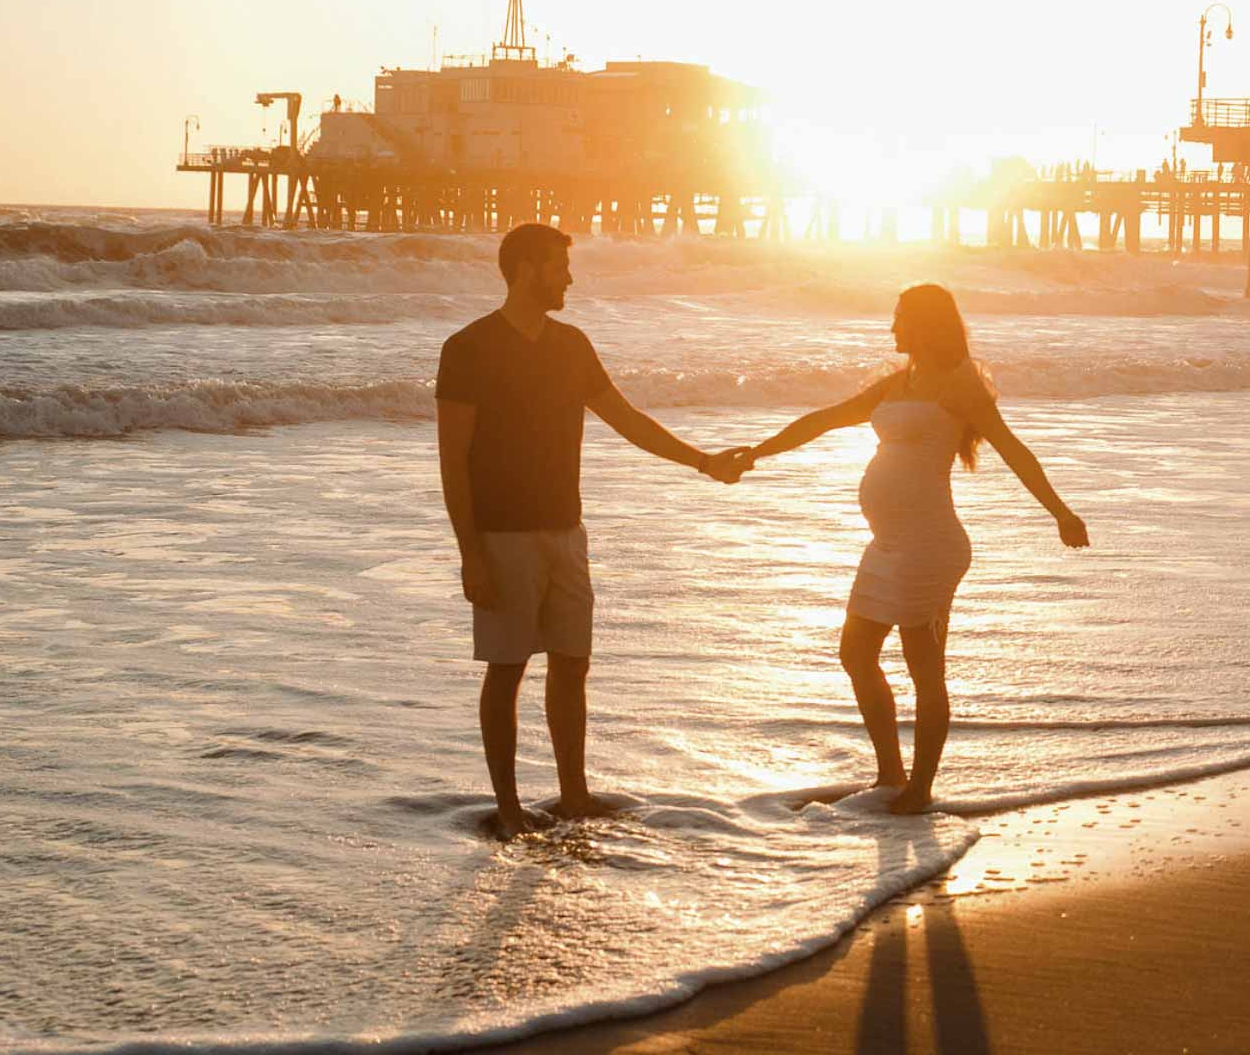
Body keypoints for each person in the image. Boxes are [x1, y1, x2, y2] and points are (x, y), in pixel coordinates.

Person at [436, 222, 752, 838]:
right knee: (507, 670)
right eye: (560, 266)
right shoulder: (467, 348)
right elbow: (453, 459)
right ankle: (507, 808)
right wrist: (469, 552)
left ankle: (573, 797)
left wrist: (704, 461)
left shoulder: (572, 345)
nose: (570, 279)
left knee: (573, 664)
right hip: (502, 537)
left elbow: (627, 420)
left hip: (566, 531)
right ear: (527, 268)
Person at [744, 284, 1089, 814]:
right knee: (855, 653)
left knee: (923, 667)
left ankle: (920, 789)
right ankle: (890, 774)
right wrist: (755, 453)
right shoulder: (896, 383)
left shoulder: (959, 385)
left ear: (928, 323)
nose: (892, 327)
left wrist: (1060, 512)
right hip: (887, 546)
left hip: (930, 545)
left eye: (901, 317)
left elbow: (1013, 449)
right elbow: (823, 419)